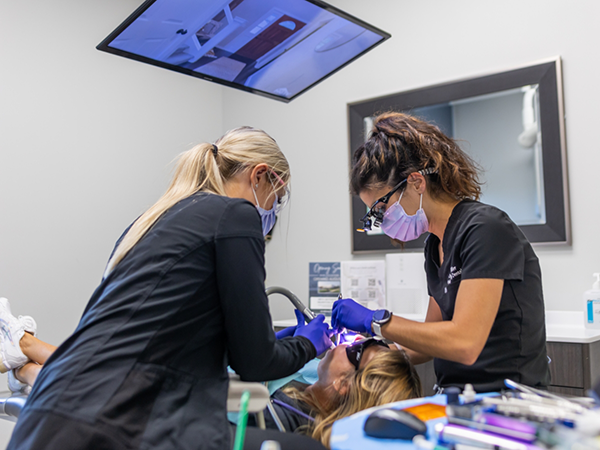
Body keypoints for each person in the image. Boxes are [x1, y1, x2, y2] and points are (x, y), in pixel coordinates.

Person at [4, 127, 333, 450]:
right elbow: (256, 363)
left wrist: (269, 342)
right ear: (259, 175)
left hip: (51, 410)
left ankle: (20, 344)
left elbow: (163, 332)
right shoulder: (235, 214)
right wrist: (309, 344)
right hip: (118, 421)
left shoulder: (157, 219)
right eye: (279, 198)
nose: (273, 211)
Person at [1, 302, 421, 450]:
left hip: (170, 421)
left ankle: (23, 348)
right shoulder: (302, 394)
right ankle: (25, 357)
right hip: (179, 410)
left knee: (119, 375)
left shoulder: (295, 425)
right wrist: (282, 343)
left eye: (350, 348)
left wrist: (299, 349)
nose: (339, 342)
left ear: (346, 385)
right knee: (108, 375)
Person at [332, 112, 550, 393]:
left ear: (416, 182)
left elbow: (464, 343)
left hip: (506, 400)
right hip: (455, 396)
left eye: (381, 208)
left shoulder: (485, 229)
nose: (382, 220)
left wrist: (376, 321)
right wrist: (357, 352)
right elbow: (427, 343)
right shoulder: (435, 246)